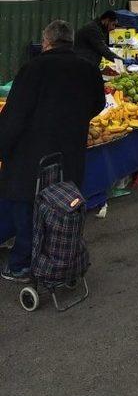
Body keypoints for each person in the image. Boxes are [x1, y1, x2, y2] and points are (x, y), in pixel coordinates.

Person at [0, 21, 106, 280]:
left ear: (46, 42)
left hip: (32, 155)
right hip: (69, 151)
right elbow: (98, 104)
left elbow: (15, 115)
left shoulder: (33, 69)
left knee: (27, 203)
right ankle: (57, 257)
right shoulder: (88, 69)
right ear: (70, 41)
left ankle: (23, 264)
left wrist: (3, 147)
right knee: (61, 206)